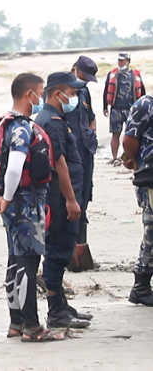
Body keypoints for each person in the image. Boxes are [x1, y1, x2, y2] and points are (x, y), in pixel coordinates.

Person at [0, 73, 63, 342]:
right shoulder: (21, 129)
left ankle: (16, 323)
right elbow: (15, 168)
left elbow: (4, 168)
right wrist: (7, 197)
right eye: (40, 93)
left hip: (13, 203)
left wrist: (0, 196)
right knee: (28, 264)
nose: (42, 98)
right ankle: (32, 326)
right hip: (25, 203)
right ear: (29, 94)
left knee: (15, 262)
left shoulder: (8, 126)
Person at [35, 72, 91, 329]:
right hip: (59, 198)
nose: (76, 96)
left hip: (63, 195)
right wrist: (71, 200)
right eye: (72, 92)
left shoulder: (54, 118)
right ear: (58, 94)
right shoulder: (52, 121)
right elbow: (59, 164)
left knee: (60, 248)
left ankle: (61, 305)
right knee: (57, 251)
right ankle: (55, 311)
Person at [66, 56, 99, 269]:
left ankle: (82, 251)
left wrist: (91, 134)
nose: (85, 82)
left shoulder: (84, 92)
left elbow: (92, 117)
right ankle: (67, 254)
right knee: (71, 204)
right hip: (69, 159)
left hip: (86, 154)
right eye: (83, 76)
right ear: (74, 69)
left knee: (85, 201)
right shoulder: (60, 92)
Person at [122, 95, 153, 306]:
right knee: (152, 229)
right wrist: (134, 162)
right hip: (149, 176)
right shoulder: (145, 105)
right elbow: (128, 140)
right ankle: (141, 285)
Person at [103, 52, 145, 165]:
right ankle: (114, 157)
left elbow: (142, 91)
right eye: (119, 60)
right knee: (115, 133)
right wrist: (104, 107)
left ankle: (130, 157)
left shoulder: (135, 74)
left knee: (131, 134)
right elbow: (106, 90)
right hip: (116, 108)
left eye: (122, 60)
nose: (120, 62)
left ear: (128, 61)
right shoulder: (112, 74)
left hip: (131, 109)